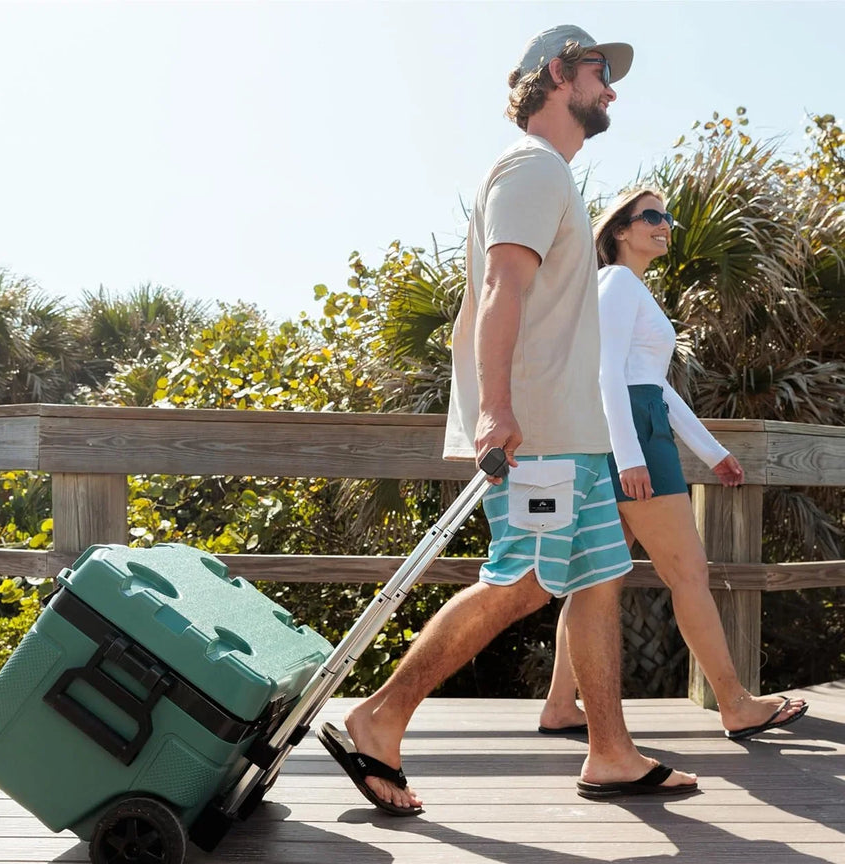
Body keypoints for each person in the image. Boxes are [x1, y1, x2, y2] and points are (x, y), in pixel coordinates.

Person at [319, 25, 699, 814]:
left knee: (597, 578)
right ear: (558, 74)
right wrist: (496, 409)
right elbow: (502, 288)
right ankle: (379, 718)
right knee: (523, 582)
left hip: (577, 431)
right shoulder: (531, 169)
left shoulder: (554, 176)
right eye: (600, 72)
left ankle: (611, 751)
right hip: (538, 435)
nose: (611, 89)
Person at [539, 188, 809, 740]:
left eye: (668, 217)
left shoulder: (627, 288)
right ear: (620, 230)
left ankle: (560, 705)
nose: (665, 225)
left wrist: (712, 452)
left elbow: (654, 384)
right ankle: (734, 703)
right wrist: (632, 457)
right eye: (652, 216)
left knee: (592, 582)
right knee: (689, 574)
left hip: (634, 427)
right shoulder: (616, 283)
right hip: (632, 435)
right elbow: (608, 375)